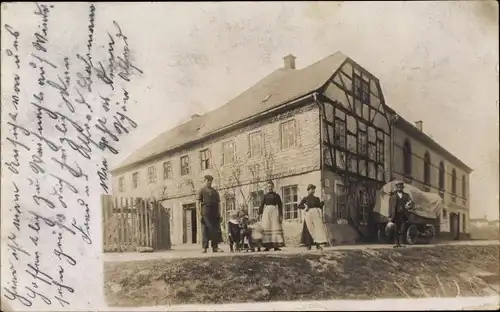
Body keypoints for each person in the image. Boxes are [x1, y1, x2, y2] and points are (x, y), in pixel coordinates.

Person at [198, 175, 223, 253]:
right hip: (205, 211)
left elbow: (219, 203)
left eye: (210, 181)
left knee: (215, 230)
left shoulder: (215, 191)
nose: (209, 182)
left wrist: (220, 214)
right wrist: (199, 214)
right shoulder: (202, 190)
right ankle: (204, 247)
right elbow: (198, 203)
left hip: (214, 212)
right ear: (204, 181)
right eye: (207, 180)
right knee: (205, 230)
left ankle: (215, 247)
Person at [298, 184, 328, 250]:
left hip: (315, 214)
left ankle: (317, 245)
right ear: (308, 190)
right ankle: (308, 245)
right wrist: (304, 207)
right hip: (308, 215)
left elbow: (319, 206)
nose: (312, 190)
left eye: (313, 189)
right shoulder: (305, 198)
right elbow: (299, 205)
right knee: (308, 229)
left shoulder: (316, 198)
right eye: (311, 189)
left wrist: (323, 201)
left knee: (317, 229)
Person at [259, 180, 285, 251]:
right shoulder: (265, 196)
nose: (269, 188)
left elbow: (280, 205)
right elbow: (261, 205)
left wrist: (280, 215)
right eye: (268, 187)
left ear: (273, 187)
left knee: (274, 227)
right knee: (267, 227)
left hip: (274, 211)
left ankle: (276, 246)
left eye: (271, 186)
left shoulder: (276, 196)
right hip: (266, 212)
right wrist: (260, 213)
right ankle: (267, 246)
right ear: (267, 188)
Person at [388, 181, 414, 248]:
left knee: (402, 229)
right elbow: (390, 206)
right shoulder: (393, 196)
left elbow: (412, 204)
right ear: (396, 187)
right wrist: (390, 216)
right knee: (396, 229)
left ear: (403, 187)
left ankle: (401, 243)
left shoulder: (406, 195)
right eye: (398, 187)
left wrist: (409, 206)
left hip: (403, 215)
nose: (399, 188)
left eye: (401, 187)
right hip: (395, 215)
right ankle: (396, 243)